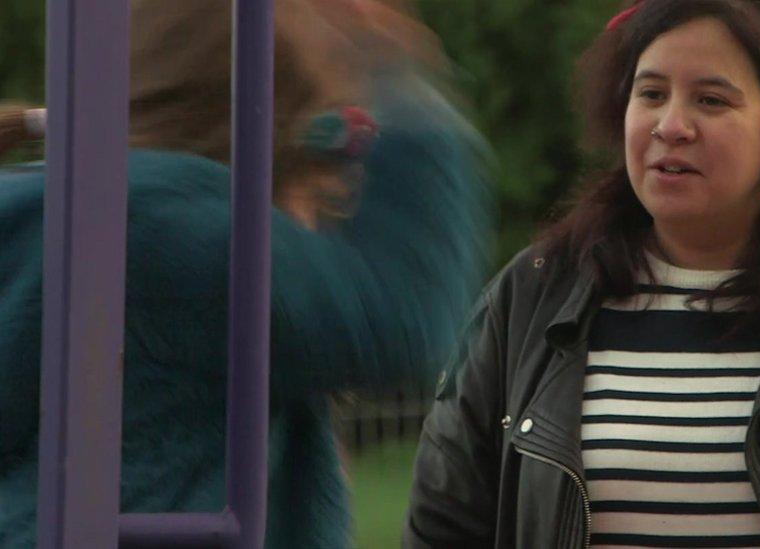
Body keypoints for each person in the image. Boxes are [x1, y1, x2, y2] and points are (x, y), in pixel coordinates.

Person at [403, 0, 760, 547]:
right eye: (650, 93)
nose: (670, 125)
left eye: (711, 100)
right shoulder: (532, 295)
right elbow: (442, 529)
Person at [0, 0, 490, 547]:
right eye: (332, 133)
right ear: (268, 117)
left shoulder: (51, 211)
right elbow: (404, 313)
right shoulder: (173, 229)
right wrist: (400, 79)